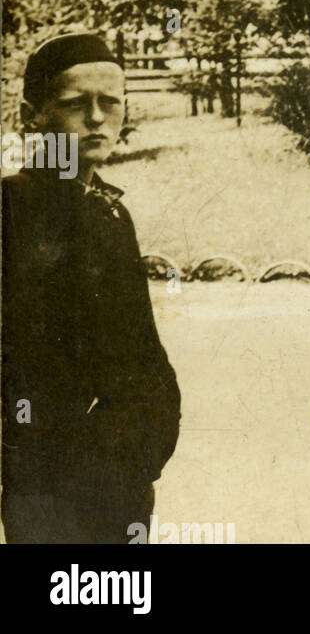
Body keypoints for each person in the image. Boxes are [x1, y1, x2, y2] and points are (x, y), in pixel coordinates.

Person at [2, 32, 181, 544]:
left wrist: (150, 433)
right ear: (32, 114)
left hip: (123, 472)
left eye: (111, 103)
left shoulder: (108, 209)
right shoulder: (15, 210)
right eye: (76, 104)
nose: (98, 119)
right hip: (50, 480)